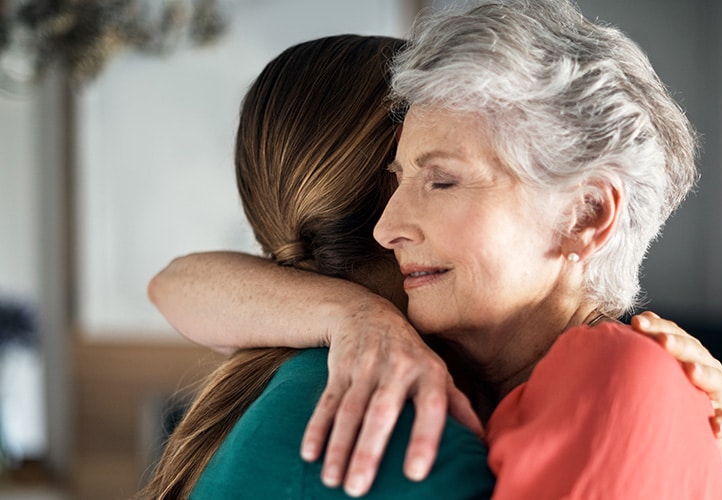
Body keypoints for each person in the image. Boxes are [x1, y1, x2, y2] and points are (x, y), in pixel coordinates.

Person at [151, 1, 722, 498]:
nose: (388, 226)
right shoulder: (447, 395)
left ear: (585, 215)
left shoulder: (619, 378)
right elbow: (176, 283)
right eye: (398, 178)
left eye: (442, 180)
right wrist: (359, 317)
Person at [139, 34, 495, 499]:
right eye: (441, 178)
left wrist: (354, 313)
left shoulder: (276, 372)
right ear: (395, 193)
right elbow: (169, 283)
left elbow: (170, 283)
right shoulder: (424, 450)